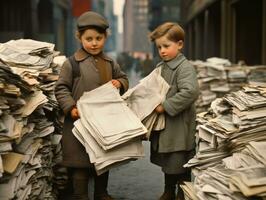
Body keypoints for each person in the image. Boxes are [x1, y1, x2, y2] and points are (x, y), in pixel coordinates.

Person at [54, 11, 129, 200]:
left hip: (103, 123)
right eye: (89, 39)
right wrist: (70, 108)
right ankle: (80, 194)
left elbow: (123, 78)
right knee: (79, 162)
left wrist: (119, 83)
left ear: (105, 38)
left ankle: (101, 192)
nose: (94, 43)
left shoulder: (110, 63)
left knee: (103, 159)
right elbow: (61, 88)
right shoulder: (72, 64)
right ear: (80, 38)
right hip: (78, 122)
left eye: (98, 38)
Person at [148, 22, 199, 200]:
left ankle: (183, 192)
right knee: (169, 161)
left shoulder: (184, 67)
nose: (162, 50)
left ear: (180, 44)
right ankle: (168, 190)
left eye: (166, 46)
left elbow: (190, 92)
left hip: (179, 127)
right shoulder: (160, 67)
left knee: (180, 160)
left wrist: (166, 106)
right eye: (159, 47)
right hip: (166, 126)